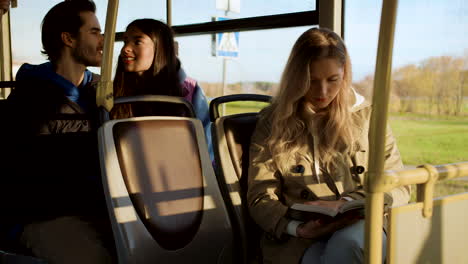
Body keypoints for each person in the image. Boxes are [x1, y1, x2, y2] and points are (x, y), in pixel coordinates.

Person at [247, 28, 410, 264]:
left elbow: (399, 184)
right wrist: (296, 227)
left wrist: (345, 203)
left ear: (344, 75)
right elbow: (260, 195)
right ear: (297, 79)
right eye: (311, 81)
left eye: (332, 80)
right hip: (300, 236)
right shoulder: (272, 123)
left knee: (348, 245)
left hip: (360, 225)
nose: (322, 92)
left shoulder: (368, 117)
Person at [3, 1, 113, 263]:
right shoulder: (30, 100)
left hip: (96, 206)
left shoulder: (102, 92)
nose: (104, 40)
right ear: (68, 39)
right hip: (46, 213)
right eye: (95, 32)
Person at [111, 19, 213, 160]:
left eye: (137, 42)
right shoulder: (117, 91)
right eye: (125, 42)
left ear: (160, 47)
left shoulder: (189, 91)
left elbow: (206, 145)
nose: (125, 49)